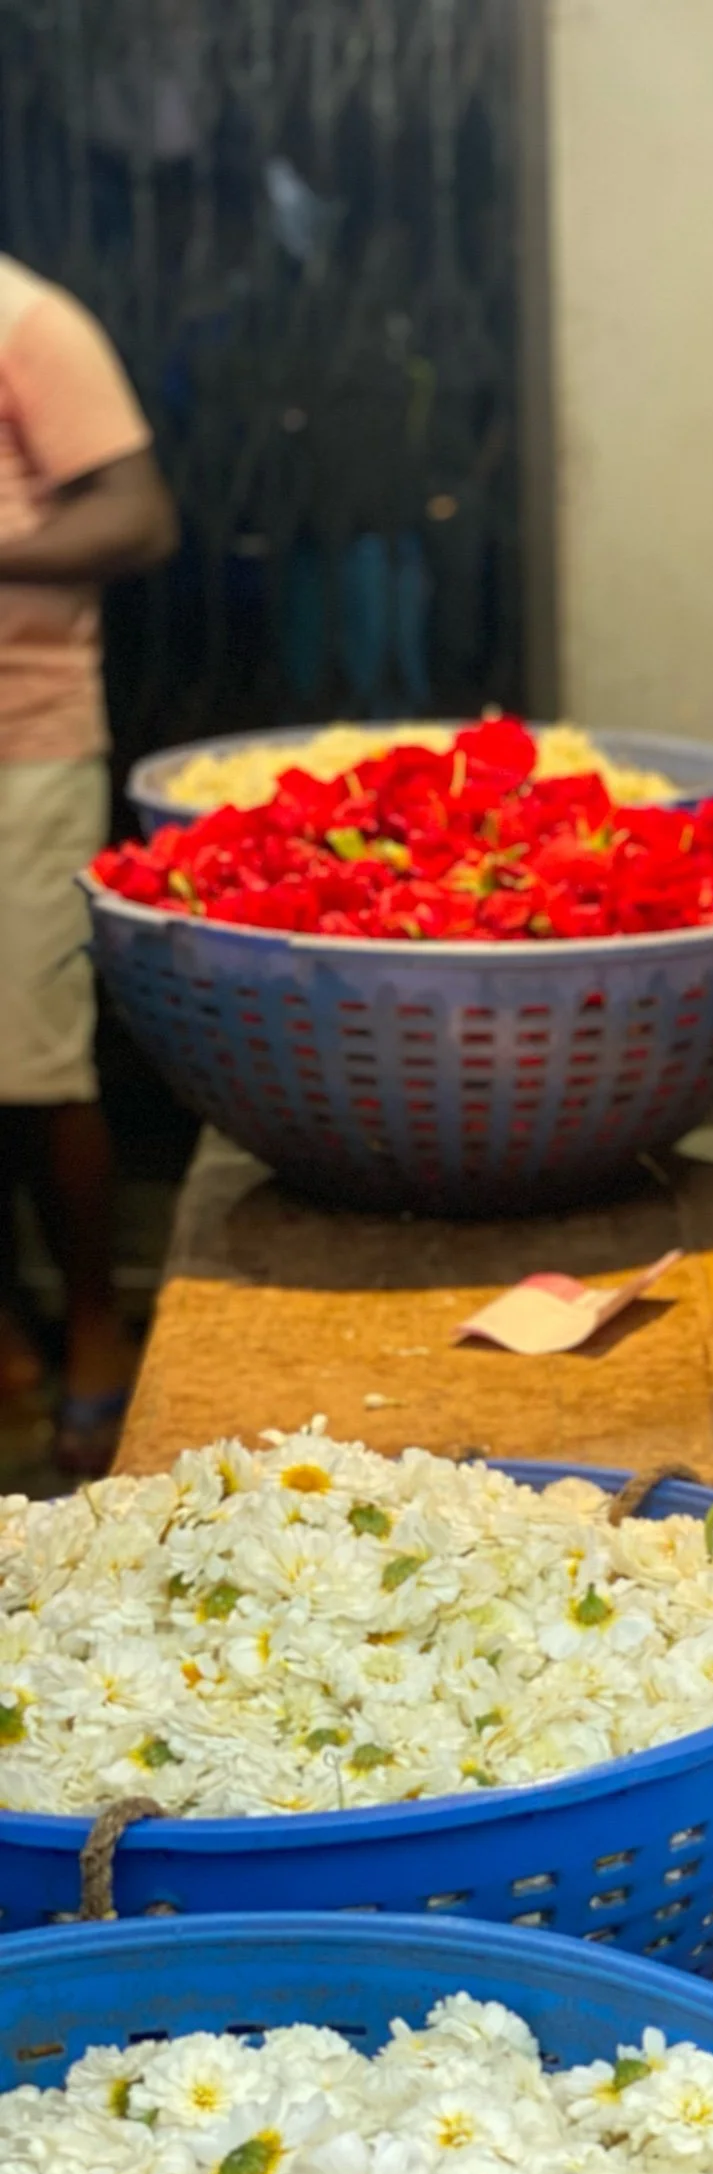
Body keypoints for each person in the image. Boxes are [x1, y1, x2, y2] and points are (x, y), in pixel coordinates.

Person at [0, 254, 177, 1475]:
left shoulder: (27, 319)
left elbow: (137, 513)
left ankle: (97, 1329)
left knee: (35, 1059)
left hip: (22, 744)